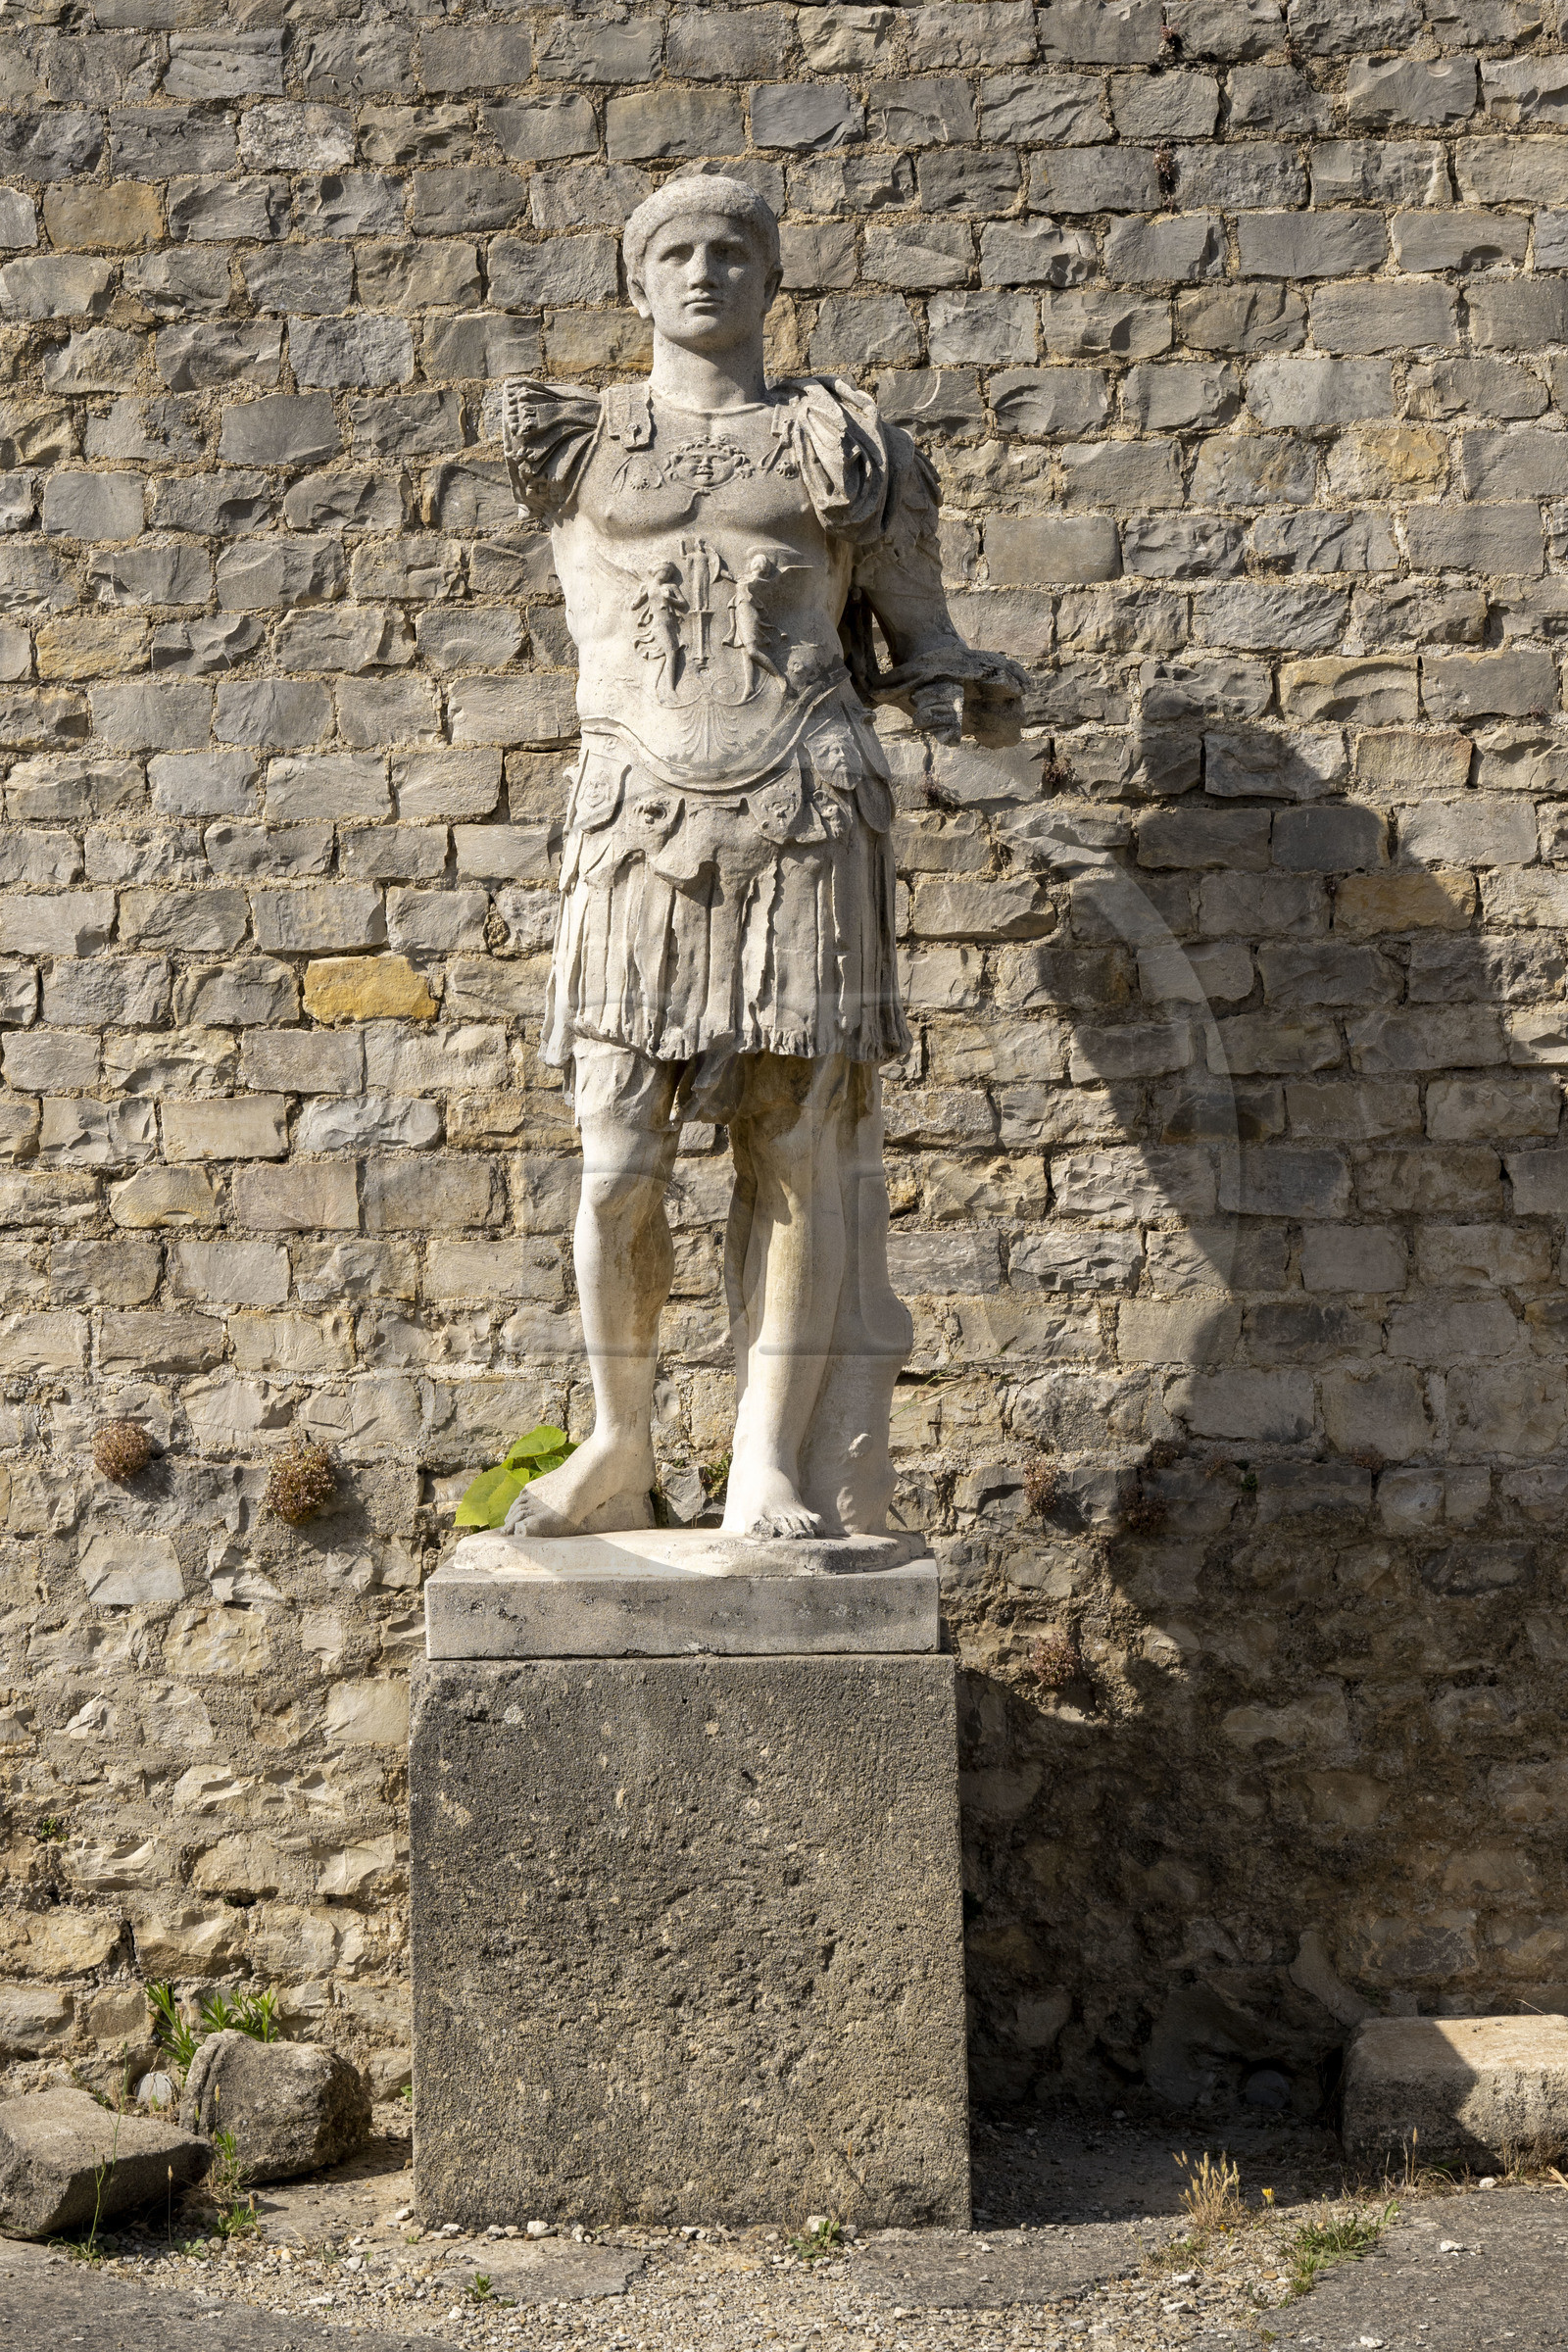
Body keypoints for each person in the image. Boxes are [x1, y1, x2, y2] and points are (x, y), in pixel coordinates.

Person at [499, 175, 1025, 1541]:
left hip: (802, 804)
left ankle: (763, 1462)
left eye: (733, 249)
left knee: (791, 1146)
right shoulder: (573, 441)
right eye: (673, 251)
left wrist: (965, 694)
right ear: (636, 284)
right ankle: (619, 1439)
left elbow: (924, 640)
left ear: (770, 278)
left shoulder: (845, 451)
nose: (704, 270)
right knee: (618, 1156)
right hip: (636, 813)